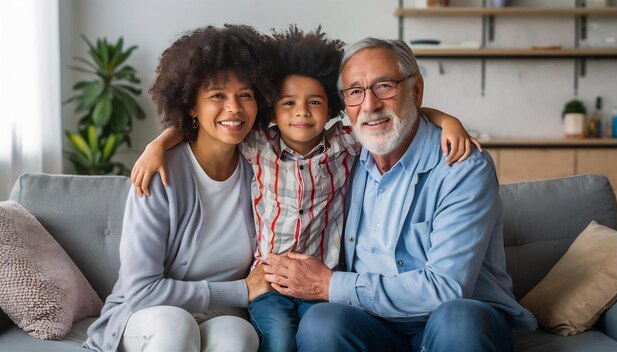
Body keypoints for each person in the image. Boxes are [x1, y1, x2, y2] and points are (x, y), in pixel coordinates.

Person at [131, 27, 481, 352]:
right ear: (272, 109)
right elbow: (216, 125)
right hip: (271, 284)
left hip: (329, 283)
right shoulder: (259, 145)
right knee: (285, 338)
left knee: (451, 320)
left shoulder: (347, 147)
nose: (301, 113)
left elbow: (392, 114)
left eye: (314, 102)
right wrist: (160, 143)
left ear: (331, 107)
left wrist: (448, 121)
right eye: (288, 104)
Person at [262, 38, 538, 352]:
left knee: (459, 320)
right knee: (322, 323)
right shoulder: (343, 158)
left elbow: (447, 288)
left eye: (384, 86)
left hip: (455, 319)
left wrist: (328, 284)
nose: (369, 105)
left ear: (416, 90)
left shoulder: (462, 166)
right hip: (373, 322)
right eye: (355, 92)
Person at [84, 25, 280, 352]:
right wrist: (241, 291)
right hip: (148, 315)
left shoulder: (262, 165)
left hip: (219, 314)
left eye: (245, 95)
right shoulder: (160, 173)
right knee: (176, 326)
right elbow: (142, 290)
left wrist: (163, 138)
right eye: (217, 95)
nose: (234, 108)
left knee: (240, 336)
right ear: (191, 105)